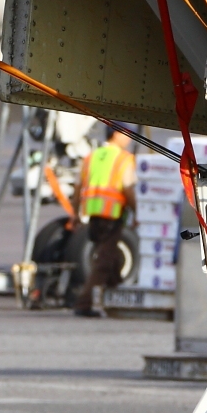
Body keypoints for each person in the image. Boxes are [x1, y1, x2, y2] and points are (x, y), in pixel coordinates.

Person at [72, 125, 137, 316]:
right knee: (104, 261)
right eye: (127, 134)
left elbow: (78, 188)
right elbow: (128, 190)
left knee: (112, 257)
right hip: (112, 215)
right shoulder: (123, 159)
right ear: (116, 134)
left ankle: (115, 299)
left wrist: (76, 214)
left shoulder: (91, 157)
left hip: (94, 215)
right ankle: (84, 304)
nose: (130, 138)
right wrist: (137, 212)